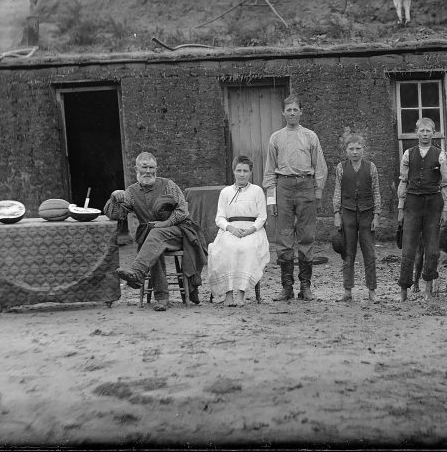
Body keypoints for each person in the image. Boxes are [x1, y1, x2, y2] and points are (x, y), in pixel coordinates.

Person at [106, 152, 207, 310]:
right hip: (154, 237)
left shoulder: (168, 185)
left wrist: (165, 223)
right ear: (136, 169)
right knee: (153, 241)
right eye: (144, 167)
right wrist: (113, 198)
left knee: (154, 234)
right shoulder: (131, 192)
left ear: (156, 169)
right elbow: (116, 215)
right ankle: (162, 298)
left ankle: (137, 272)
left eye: (151, 167)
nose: (148, 171)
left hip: (179, 232)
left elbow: (182, 211)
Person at [262, 94, 327, 302]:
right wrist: (271, 200)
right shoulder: (276, 138)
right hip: (284, 187)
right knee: (283, 237)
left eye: (295, 109)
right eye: (288, 110)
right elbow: (270, 172)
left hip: (306, 185)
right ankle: (287, 287)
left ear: (301, 112)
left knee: (307, 236)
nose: (292, 113)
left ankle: (305, 287)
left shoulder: (310, 136)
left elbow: (320, 167)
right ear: (283, 113)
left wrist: (317, 193)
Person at [396, 117, 447, 301]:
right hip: (412, 203)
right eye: (422, 131)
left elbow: (445, 183)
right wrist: (401, 208)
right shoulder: (408, 154)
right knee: (409, 247)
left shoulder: (440, 154)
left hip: (433, 204)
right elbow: (403, 181)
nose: (425, 134)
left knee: (432, 247)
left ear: (434, 133)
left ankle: (428, 289)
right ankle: (404, 291)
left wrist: (445, 209)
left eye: (429, 131)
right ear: (416, 132)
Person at [207, 155, 271, 307]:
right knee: (226, 248)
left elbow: (262, 217)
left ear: (250, 172)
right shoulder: (225, 192)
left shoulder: (257, 191)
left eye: (245, 171)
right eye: (239, 170)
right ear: (233, 171)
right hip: (230, 230)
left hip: (253, 230)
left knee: (246, 248)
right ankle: (228, 294)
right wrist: (230, 228)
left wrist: (250, 230)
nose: (242, 174)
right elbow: (220, 218)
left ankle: (241, 293)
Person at [332, 134, 382, 303]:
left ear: (363, 149)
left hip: (367, 213)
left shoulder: (371, 167)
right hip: (348, 213)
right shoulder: (341, 167)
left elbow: (376, 192)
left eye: (358, 149)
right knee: (348, 252)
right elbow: (337, 191)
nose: (354, 152)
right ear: (346, 150)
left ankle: (372, 291)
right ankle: (347, 290)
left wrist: (377, 215)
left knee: (369, 253)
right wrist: (336, 214)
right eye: (351, 149)